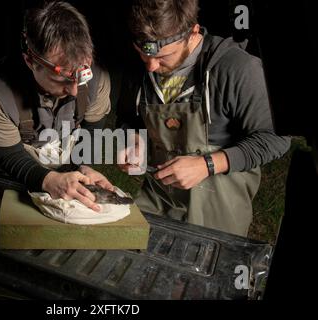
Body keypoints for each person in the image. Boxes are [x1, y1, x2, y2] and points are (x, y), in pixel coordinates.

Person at [116, 0, 291, 236]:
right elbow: (128, 119)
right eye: (144, 55)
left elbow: (276, 139)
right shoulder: (140, 69)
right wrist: (132, 140)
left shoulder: (237, 69)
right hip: (158, 201)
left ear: (193, 32)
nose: (151, 67)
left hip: (218, 211)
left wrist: (206, 165)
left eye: (164, 57)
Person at [0, 1, 113, 212]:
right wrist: (48, 181)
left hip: (69, 172)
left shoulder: (98, 79)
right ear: (30, 61)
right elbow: (9, 155)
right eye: (62, 80)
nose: (75, 91)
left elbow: (92, 131)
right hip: (14, 178)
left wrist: (86, 166)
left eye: (81, 77)